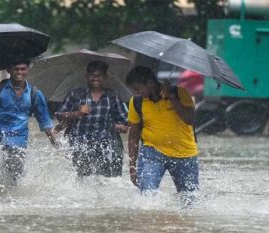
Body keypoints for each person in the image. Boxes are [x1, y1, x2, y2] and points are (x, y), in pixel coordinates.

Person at [125, 66, 199, 207]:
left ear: (151, 83)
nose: (136, 93)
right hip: (152, 153)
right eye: (134, 90)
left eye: (138, 88)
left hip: (185, 155)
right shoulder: (136, 101)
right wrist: (132, 166)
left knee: (190, 202)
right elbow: (133, 134)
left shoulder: (180, 93)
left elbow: (189, 119)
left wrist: (171, 97)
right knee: (146, 198)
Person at [55, 60, 128, 178]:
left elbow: (124, 121)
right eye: (92, 75)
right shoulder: (76, 94)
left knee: (108, 180)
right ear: (86, 76)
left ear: (105, 77)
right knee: (82, 179)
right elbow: (59, 115)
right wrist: (77, 113)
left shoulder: (113, 95)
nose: (95, 78)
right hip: (80, 145)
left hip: (106, 146)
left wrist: (121, 127)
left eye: (99, 75)